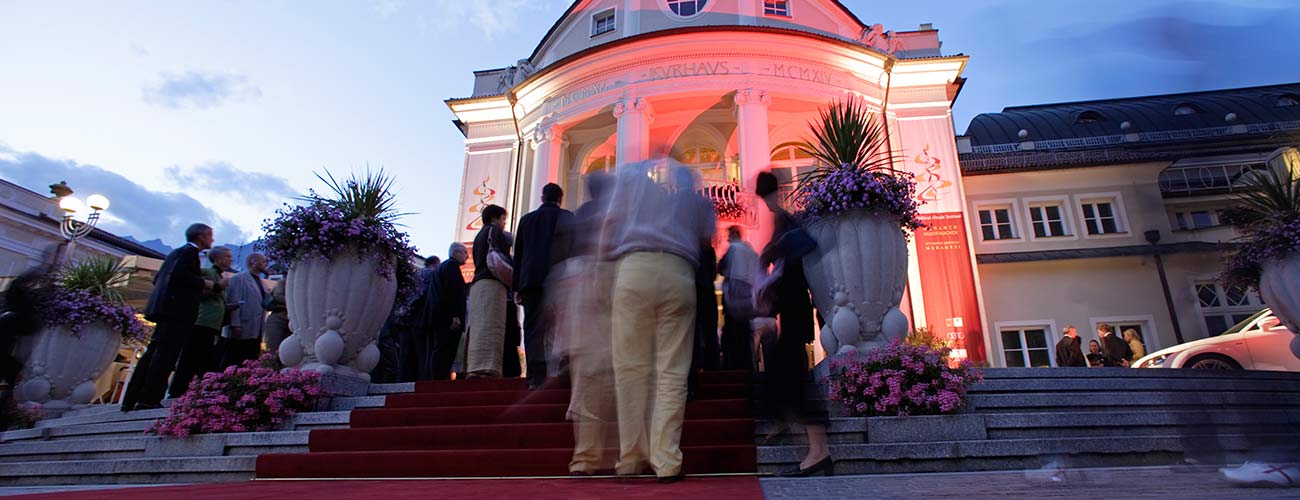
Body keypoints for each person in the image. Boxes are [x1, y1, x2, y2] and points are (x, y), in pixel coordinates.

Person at [604, 160, 715, 483]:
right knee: (672, 372)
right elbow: (706, 239)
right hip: (678, 272)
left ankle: (630, 458)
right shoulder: (697, 202)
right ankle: (666, 460)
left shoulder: (633, 189)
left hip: (633, 268)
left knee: (629, 369)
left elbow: (609, 227)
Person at [755, 171, 832, 477]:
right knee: (787, 371)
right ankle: (794, 428)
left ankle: (819, 450)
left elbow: (794, 260)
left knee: (795, 374)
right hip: (792, 310)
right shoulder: (783, 220)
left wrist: (770, 259)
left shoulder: (786, 220)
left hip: (795, 308)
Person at [552, 172, 618, 475]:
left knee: (584, 366)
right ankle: (601, 453)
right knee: (604, 366)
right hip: (602, 282)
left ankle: (585, 452)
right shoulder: (612, 215)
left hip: (575, 280)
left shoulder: (577, 216)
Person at [122, 223, 215, 412]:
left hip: (164, 310)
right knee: (166, 355)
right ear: (201, 236)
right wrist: (203, 283)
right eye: (210, 235)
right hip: (177, 312)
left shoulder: (175, 253)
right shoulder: (190, 253)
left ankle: (132, 398)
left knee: (153, 352)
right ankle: (150, 397)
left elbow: (160, 279)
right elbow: (180, 275)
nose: (212, 239)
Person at [513, 183, 573, 389]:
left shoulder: (526, 220)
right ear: (560, 199)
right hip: (561, 280)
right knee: (563, 325)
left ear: (542, 197)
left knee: (533, 330)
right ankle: (562, 372)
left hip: (531, 282)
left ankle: (535, 378)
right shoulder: (568, 217)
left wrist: (517, 287)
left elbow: (518, 256)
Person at [168, 246, 231, 398]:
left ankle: (195, 390)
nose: (230, 259)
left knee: (205, 358)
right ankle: (178, 390)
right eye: (228, 256)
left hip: (213, 324)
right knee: (191, 357)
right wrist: (217, 287)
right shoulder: (209, 273)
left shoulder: (220, 275)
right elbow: (199, 291)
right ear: (218, 258)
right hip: (202, 322)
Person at [466, 204, 511, 378]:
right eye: (502, 219)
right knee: (492, 325)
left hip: (477, 284)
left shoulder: (479, 236)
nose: (503, 223)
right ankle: (487, 367)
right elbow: (500, 257)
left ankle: (474, 366)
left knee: (478, 326)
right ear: (494, 218)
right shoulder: (494, 232)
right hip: (492, 282)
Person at [718, 225, 759, 371]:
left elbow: (721, 267)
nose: (728, 238)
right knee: (744, 333)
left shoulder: (734, 249)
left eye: (729, 235)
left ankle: (733, 366)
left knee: (732, 333)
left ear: (734, 234)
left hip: (733, 294)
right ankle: (747, 366)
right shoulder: (750, 250)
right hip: (747, 294)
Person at [222, 253, 269, 368]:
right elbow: (234, 301)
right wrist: (235, 324)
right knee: (236, 358)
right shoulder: (239, 278)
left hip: (257, 328)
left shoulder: (262, 282)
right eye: (263, 261)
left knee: (251, 358)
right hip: (243, 326)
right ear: (253, 262)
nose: (266, 264)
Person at [430, 243, 469, 380]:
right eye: (465, 252)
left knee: (441, 349)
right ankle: (439, 378)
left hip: (441, 315)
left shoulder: (443, 267)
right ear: (456, 253)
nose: (467, 256)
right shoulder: (451, 267)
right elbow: (453, 292)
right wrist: (455, 315)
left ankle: (437, 376)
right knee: (446, 350)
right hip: (448, 318)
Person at [501, 231, 523, 378]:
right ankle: (512, 369)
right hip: (509, 302)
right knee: (511, 336)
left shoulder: (500, 259)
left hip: (502, 301)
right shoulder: (512, 260)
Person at [262, 279, 290, 360]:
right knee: (273, 350)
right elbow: (277, 297)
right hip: (278, 316)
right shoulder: (282, 282)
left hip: (292, 320)